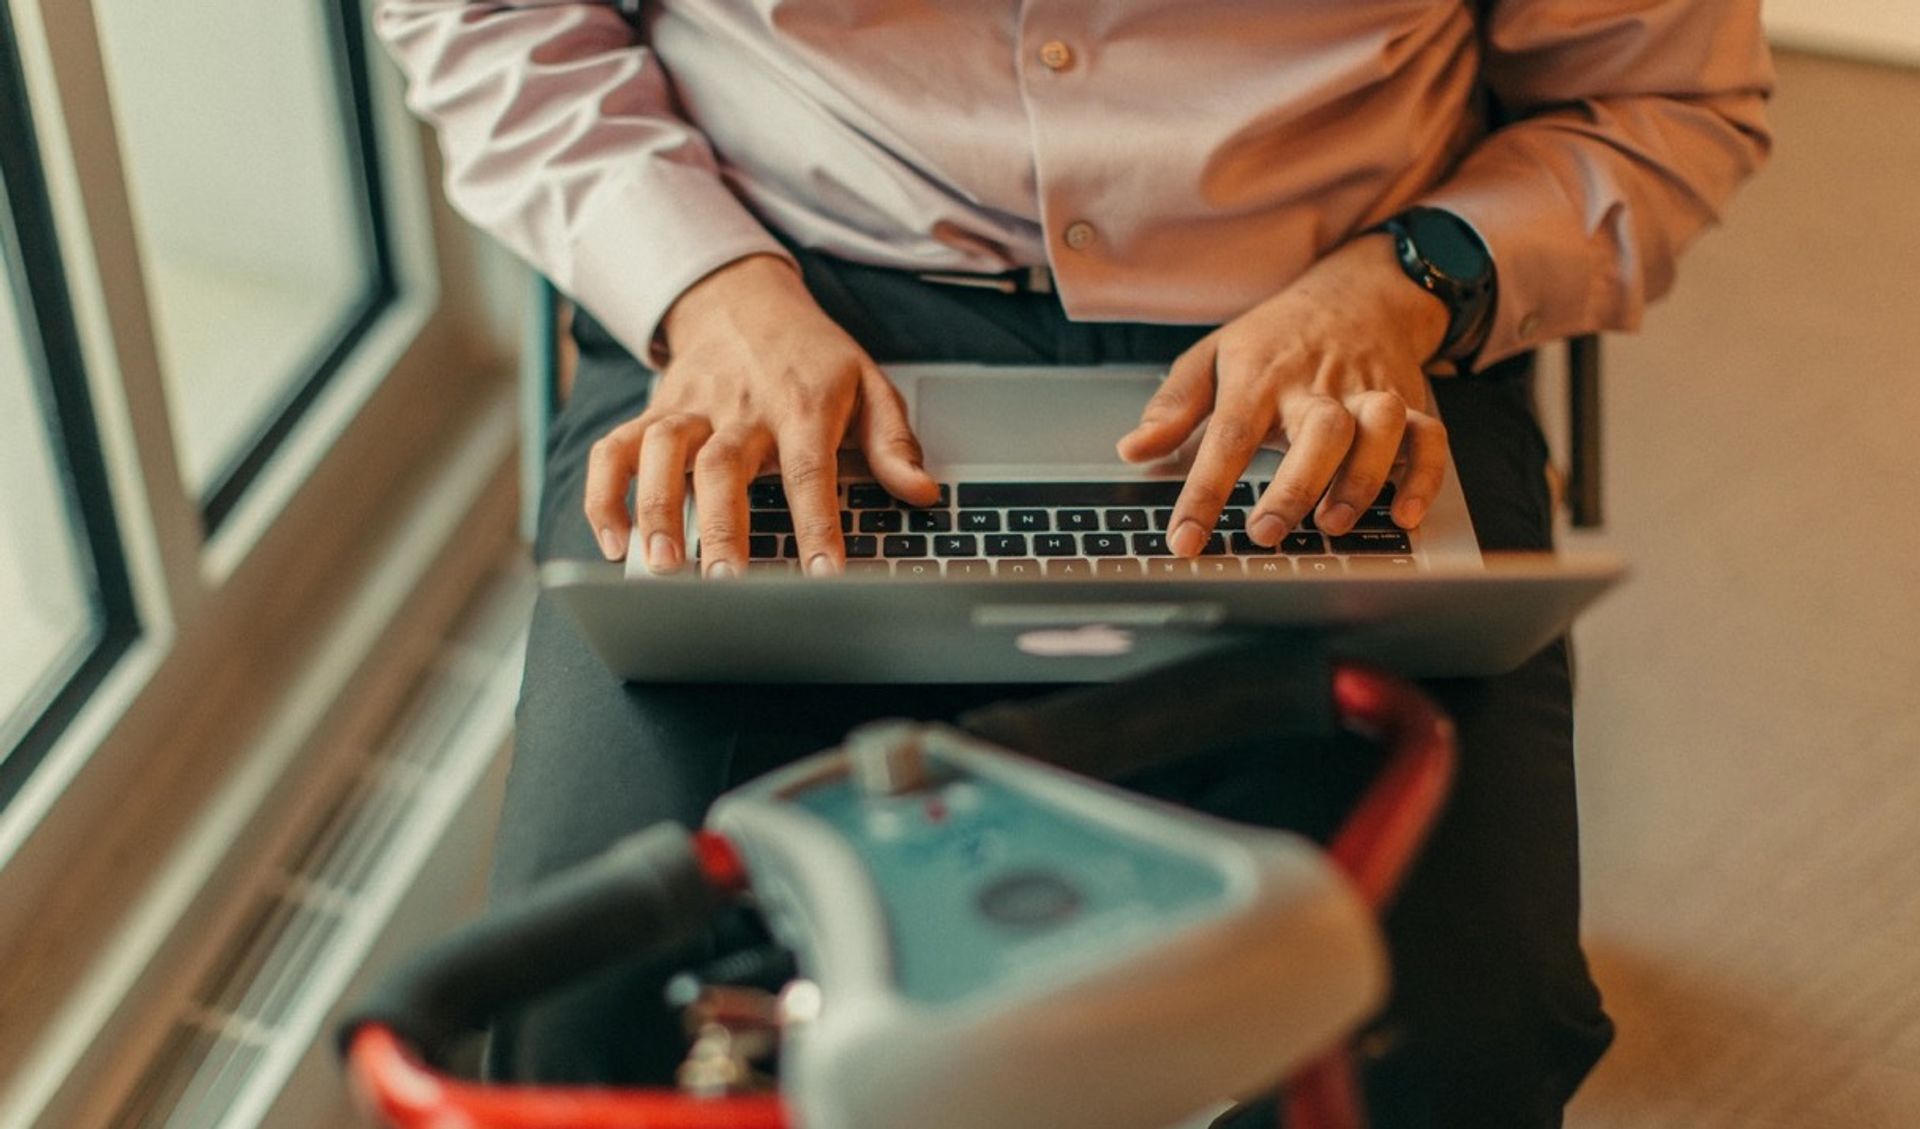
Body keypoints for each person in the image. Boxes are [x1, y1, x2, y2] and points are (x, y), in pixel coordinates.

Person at [374, 3, 1772, 1124]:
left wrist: (1407, 282)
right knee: (579, 1025)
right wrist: (703, 289)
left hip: (1337, 311)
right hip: (782, 289)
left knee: (1465, 1029)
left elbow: (1661, 99)